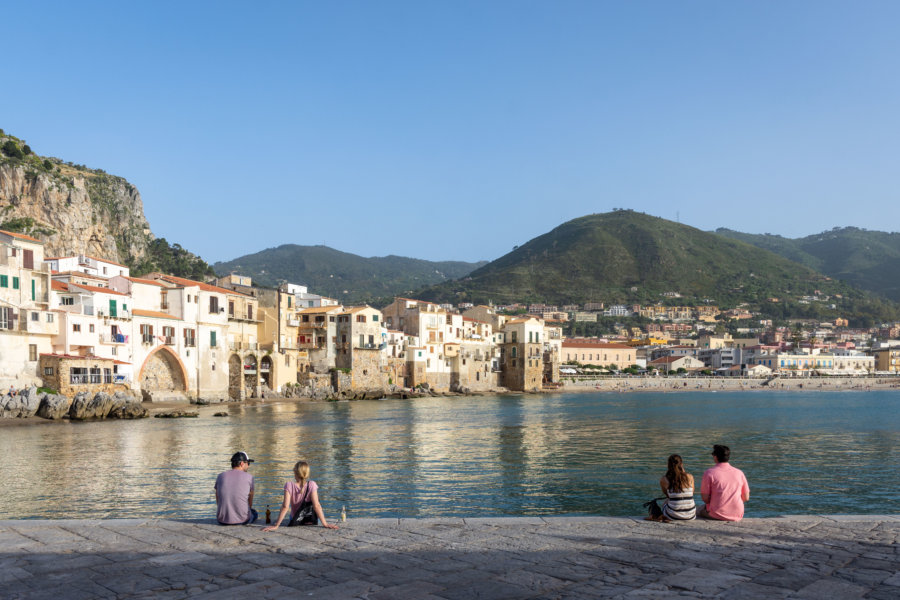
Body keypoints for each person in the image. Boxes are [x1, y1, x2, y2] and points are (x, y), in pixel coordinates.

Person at [262, 460, 338, 531]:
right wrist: (325, 524)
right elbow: (317, 505)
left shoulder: (289, 485)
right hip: (310, 520)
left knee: (291, 515)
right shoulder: (312, 484)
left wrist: (277, 525)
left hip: (295, 519)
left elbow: (285, 507)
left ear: (295, 472)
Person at [699, 444, 750, 521]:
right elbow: (746, 498)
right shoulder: (739, 473)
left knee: (698, 510)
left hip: (717, 513)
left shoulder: (709, 473)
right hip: (738, 514)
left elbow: (705, 499)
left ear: (715, 457)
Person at [214, 451, 258, 525]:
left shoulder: (220, 476)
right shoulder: (249, 477)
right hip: (242, 520)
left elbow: (218, 498)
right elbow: (250, 503)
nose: (248, 466)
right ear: (242, 463)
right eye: (248, 463)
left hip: (222, 519)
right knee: (254, 513)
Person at [658, 454, 696, 521]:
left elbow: (668, 495)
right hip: (691, 516)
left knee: (666, 501)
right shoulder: (690, 477)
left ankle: (664, 516)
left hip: (673, 517)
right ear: (681, 464)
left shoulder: (664, 479)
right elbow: (692, 493)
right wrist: (683, 471)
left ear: (668, 465)